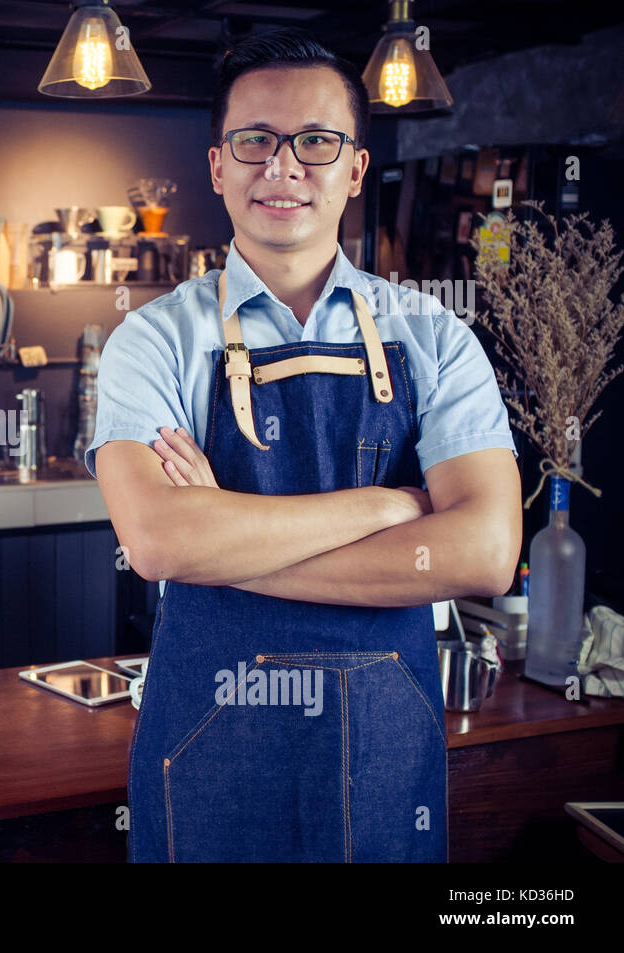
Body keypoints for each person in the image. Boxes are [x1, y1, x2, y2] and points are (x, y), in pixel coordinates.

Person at [87, 29, 522, 862]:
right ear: (218, 165)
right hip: (207, 747)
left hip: (385, 748)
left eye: (316, 142)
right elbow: (160, 540)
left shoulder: (434, 336)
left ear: (356, 168)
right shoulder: (152, 340)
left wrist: (225, 534)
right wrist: (389, 506)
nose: (282, 168)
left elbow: (486, 552)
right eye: (254, 141)